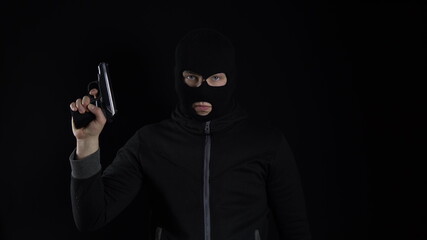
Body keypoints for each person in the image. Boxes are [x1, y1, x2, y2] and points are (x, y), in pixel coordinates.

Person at [69, 28, 312, 240]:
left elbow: (296, 230)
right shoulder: (150, 142)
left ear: (230, 78)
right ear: (179, 77)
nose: (202, 88)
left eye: (215, 78)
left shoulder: (266, 143)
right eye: (192, 77)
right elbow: (91, 217)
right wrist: (87, 141)